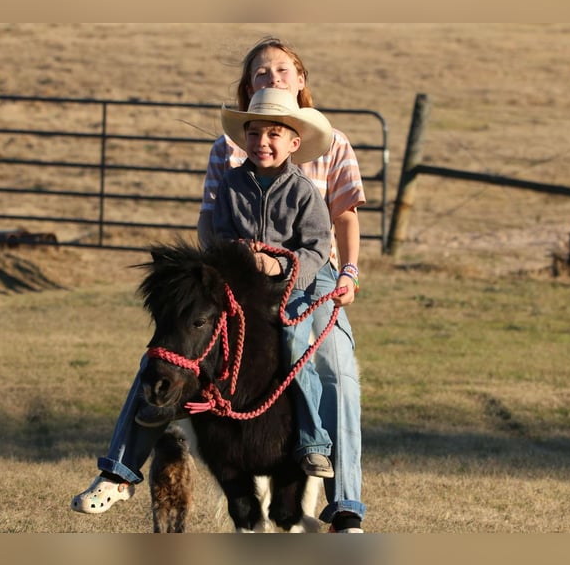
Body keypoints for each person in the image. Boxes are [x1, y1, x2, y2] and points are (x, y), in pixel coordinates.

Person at [72, 36, 366, 533]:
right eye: (260, 73)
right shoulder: (228, 155)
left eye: (282, 70)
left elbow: (342, 221)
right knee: (174, 345)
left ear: (301, 81)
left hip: (307, 286)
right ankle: (120, 469)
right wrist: (235, 260)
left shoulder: (331, 144)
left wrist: (346, 272)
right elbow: (210, 226)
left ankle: (344, 504)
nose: (272, 78)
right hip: (238, 284)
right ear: (247, 89)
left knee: (337, 369)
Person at [214, 86, 337, 479]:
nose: (262, 142)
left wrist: (281, 267)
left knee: (295, 346)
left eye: (273, 135)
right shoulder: (231, 185)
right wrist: (240, 254)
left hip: (289, 290)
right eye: (253, 134)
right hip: (239, 289)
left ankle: (313, 442)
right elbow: (219, 235)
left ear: (293, 143)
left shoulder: (304, 192)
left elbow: (318, 248)